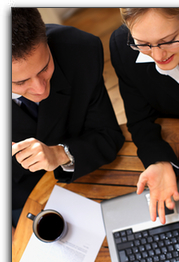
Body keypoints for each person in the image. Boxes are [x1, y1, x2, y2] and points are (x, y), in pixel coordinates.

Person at [12, 8, 125, 231]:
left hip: (89, 175)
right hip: (18, 202)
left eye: (45, 68)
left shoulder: (80, 50)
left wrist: (61, 153)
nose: (40, 89)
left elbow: (108, 136)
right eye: (20, 82)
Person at [110, 8, 179, 224]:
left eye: (168, 40)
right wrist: (158, 159)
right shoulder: (122, 45)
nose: (158, 56)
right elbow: (139, 119)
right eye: (143, 44)